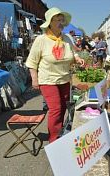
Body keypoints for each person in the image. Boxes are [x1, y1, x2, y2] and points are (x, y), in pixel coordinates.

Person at [25, 7, 84, 143]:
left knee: (63, 107)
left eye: (62, 20)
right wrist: (35, 79)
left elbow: (72, 53)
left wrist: (77, 58)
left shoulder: (66, 39)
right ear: (50, 22)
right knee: (56, 109)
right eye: (57, 20)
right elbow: (31, 62)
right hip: (48, 80)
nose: (61, 22)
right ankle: (54, 140)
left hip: (64, 79)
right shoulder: (41, 40)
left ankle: (58, 130)